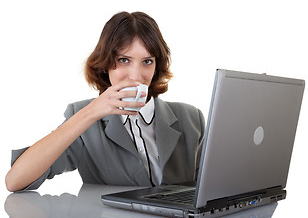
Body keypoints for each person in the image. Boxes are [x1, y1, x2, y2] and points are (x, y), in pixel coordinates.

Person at [5, 11, 205, 192]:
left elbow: (211, 189)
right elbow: (15, 181)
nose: (136, 76)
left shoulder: (190, 117)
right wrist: (91, 112)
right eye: (124, 60)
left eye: (147, 61)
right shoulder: (84, 117)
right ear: (105, 64)